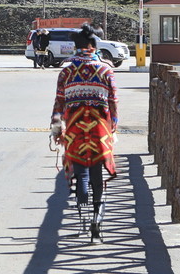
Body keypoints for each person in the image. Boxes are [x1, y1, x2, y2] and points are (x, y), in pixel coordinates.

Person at [50, 23, 119, 239]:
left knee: (80, 167)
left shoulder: (66, 72)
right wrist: (113, 126)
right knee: (97, 172)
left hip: (74, 127)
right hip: (100, 128)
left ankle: (81, 201)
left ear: (76, 46)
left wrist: (55, 130)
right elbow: (113, 101)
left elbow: (59, 103)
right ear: (93, 45)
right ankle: (97, 218)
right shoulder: (106, 70)